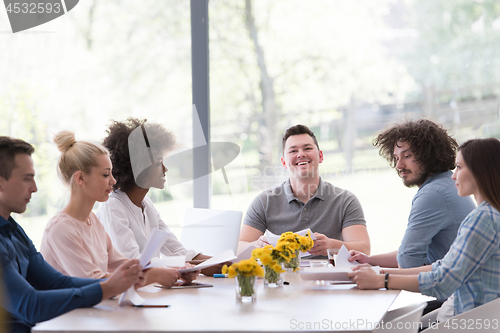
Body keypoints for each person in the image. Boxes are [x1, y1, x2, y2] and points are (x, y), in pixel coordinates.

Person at [0, 136, 145, 333]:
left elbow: (57, 282)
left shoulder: (14, 230)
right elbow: (31, 305)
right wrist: (108, 287)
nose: (34, 188)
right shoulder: (58, 227)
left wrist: (120, 282)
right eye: (27, 178)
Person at [348, 138, 500, 318]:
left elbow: (443, 281)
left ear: (480, 171)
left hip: (467, 321)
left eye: (459, 167)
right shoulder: (488, 213)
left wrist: (382, 280)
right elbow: (443, 267)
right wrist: (379, 271)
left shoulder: (482, 218)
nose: (453, 175)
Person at [40, 131, 191, 288]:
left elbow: (123, 265)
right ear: (81, 178)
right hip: (69, 312)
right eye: (105, 175)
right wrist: (153, 276)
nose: (113, 180)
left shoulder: (93, 222)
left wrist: (177, 268)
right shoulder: (60, 229)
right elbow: (93, 280)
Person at [96, 118, 224, 276]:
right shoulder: (112, 206)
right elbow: (133, 262)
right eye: (158, 163)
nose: (165, 169)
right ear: (138, 169)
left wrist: (218, 263)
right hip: (127, 294)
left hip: (149, 289)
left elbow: (175, 250)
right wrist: (183, 268)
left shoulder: (146, 204)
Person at [349, 119, 476, 268]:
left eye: (407, 156)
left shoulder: (433, 193)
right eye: (396, 158)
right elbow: (407, 253)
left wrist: (379, 278)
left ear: (429, 154)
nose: (399, 165)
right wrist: (369, 260)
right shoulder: (447, 182)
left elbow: (407, 259)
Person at [238, 124, 370, 256]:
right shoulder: (265, 201)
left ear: (320, 156)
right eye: (293, 151)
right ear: (283, 162)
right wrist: (257, 246)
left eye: (307, 148)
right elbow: (238, 247)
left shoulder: (345, 200)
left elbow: (364, 249)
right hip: (283, 275)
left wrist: (332, 246)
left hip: (330, 275)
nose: (301, 154)